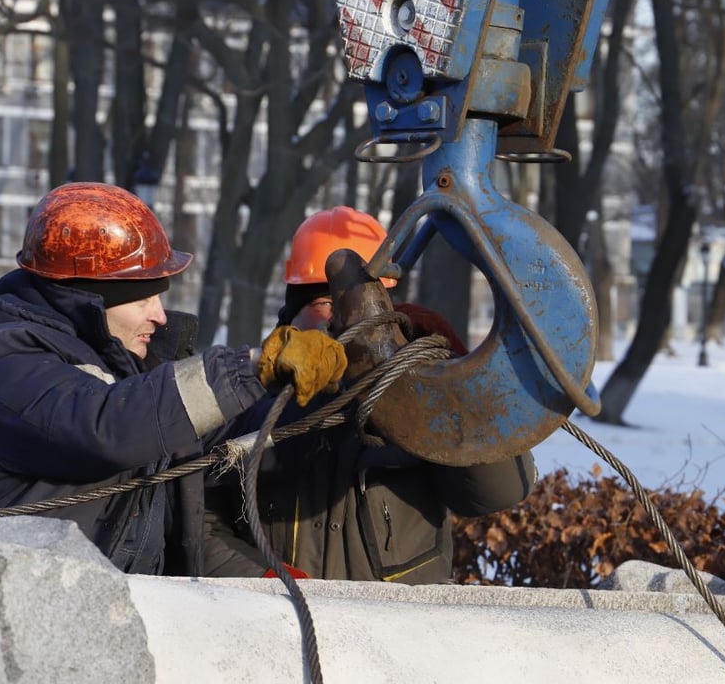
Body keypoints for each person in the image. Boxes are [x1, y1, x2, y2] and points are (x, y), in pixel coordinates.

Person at [0, 182, 347, 577]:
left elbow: (219, 446)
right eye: (144, 298)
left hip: (90, 603)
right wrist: (249, 368)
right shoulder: (4, 357)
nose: (160, 315)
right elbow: (101, 427)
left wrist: (336, 390)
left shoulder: (132, 365)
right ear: (85, 297)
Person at [203, 206, 538, 584]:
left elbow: (498, 493)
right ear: (291, 313)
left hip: (399, 630)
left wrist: (458, 391)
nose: (343, 320)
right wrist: (264, 577)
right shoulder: (249, 395)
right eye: (326, 303)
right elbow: (201, 518)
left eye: (364, 305)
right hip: (284, 622)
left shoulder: (422, 392)